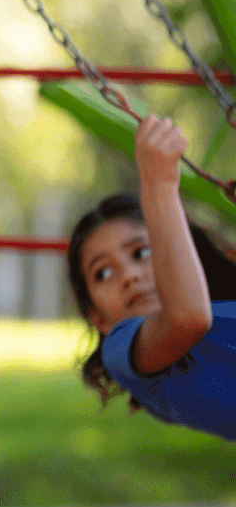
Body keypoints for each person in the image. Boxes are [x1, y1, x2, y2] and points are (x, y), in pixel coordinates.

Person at [66, 115, 236, 440]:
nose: (128, 276)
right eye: (103, 273)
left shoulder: (224, 310)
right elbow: (186, 318)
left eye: (141, 253)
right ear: (98, 318)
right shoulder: (122, 349)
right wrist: (158, 185)